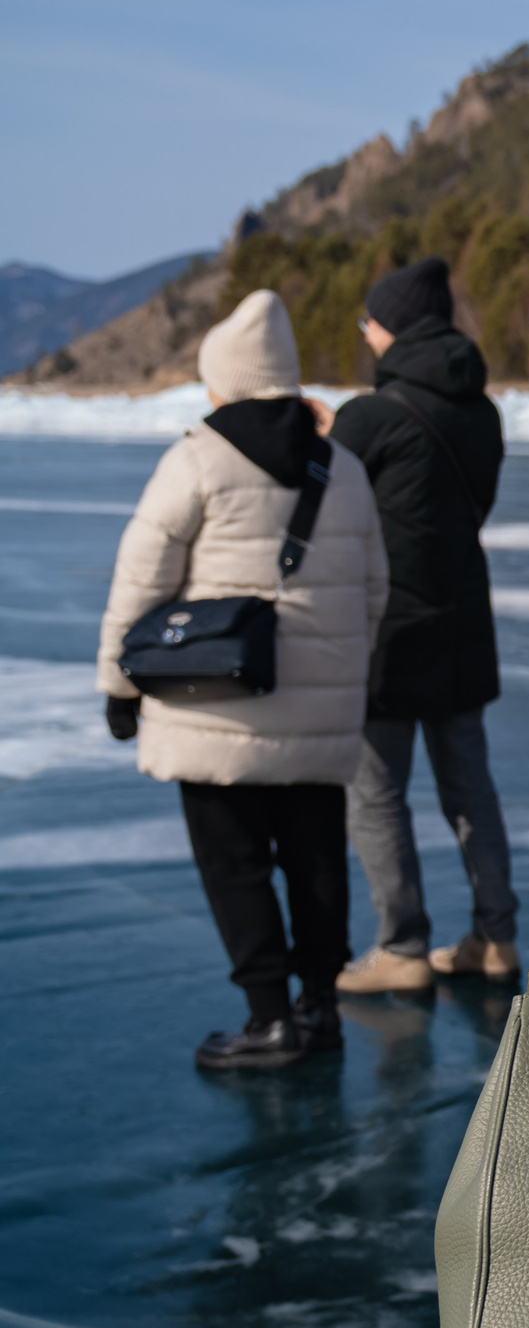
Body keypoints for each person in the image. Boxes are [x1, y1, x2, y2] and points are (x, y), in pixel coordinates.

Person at [96, 291, 388, 1068]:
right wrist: (344, 678)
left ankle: (268, 1018)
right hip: (321, 713)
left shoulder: (196, 457)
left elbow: (140, 581)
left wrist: (119, 687)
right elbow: (373, 590)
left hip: (213, 707)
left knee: (236, 865)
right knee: (317, 858)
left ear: (221, 378)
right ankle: (320, 1009)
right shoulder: (343, 466)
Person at [328, 257, 520, 993]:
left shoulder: (368, 416)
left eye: (367, 321)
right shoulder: (483, 411)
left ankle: (402, 946)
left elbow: (333, 507)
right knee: (469, 786)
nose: (365, 334)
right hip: (464, 621)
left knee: (375, 792)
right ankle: (495, 937)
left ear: (393, 326)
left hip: (387, 629)